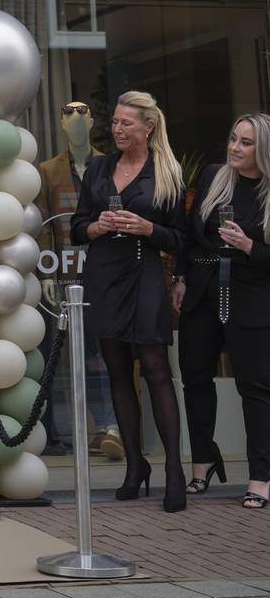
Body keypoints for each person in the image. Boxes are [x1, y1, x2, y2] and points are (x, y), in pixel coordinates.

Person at [71, 89, 187, 513]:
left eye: (126, 123)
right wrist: (97, 226)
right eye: (116, 122)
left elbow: (181, 238)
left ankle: (173, 469)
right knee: (118, 372)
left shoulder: (166, 172)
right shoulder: (99, 168)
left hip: (145, 276)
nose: (118, 129)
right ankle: (136, 466)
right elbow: (77, 228)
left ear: (148, 126)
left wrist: (148, 228)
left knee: (156, 369)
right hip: (104, 277)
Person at [173, 113, 270, 510]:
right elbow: (187, 231)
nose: (234, 147)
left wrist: (249, 247)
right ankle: (203, 462)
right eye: (233, 138)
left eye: (245, 142)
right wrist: (180, 276)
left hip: (251, 294)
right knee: (195, 378)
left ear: (263, 149)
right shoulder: (214, 176)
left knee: (255, 388)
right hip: (201, 291)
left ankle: (260, 476)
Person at [38, 100, 120, 461]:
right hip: (64, 268)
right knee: (61, 353)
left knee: (101, 350)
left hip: (102, 267)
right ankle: (58, 430)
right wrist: (46, 272)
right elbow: (43, 225)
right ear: (60, 123)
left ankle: (109, 427)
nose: (75, 119)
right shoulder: (47, 171)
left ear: (93, 121)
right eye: (68, 113)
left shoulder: (110, 165)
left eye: (83, 113)